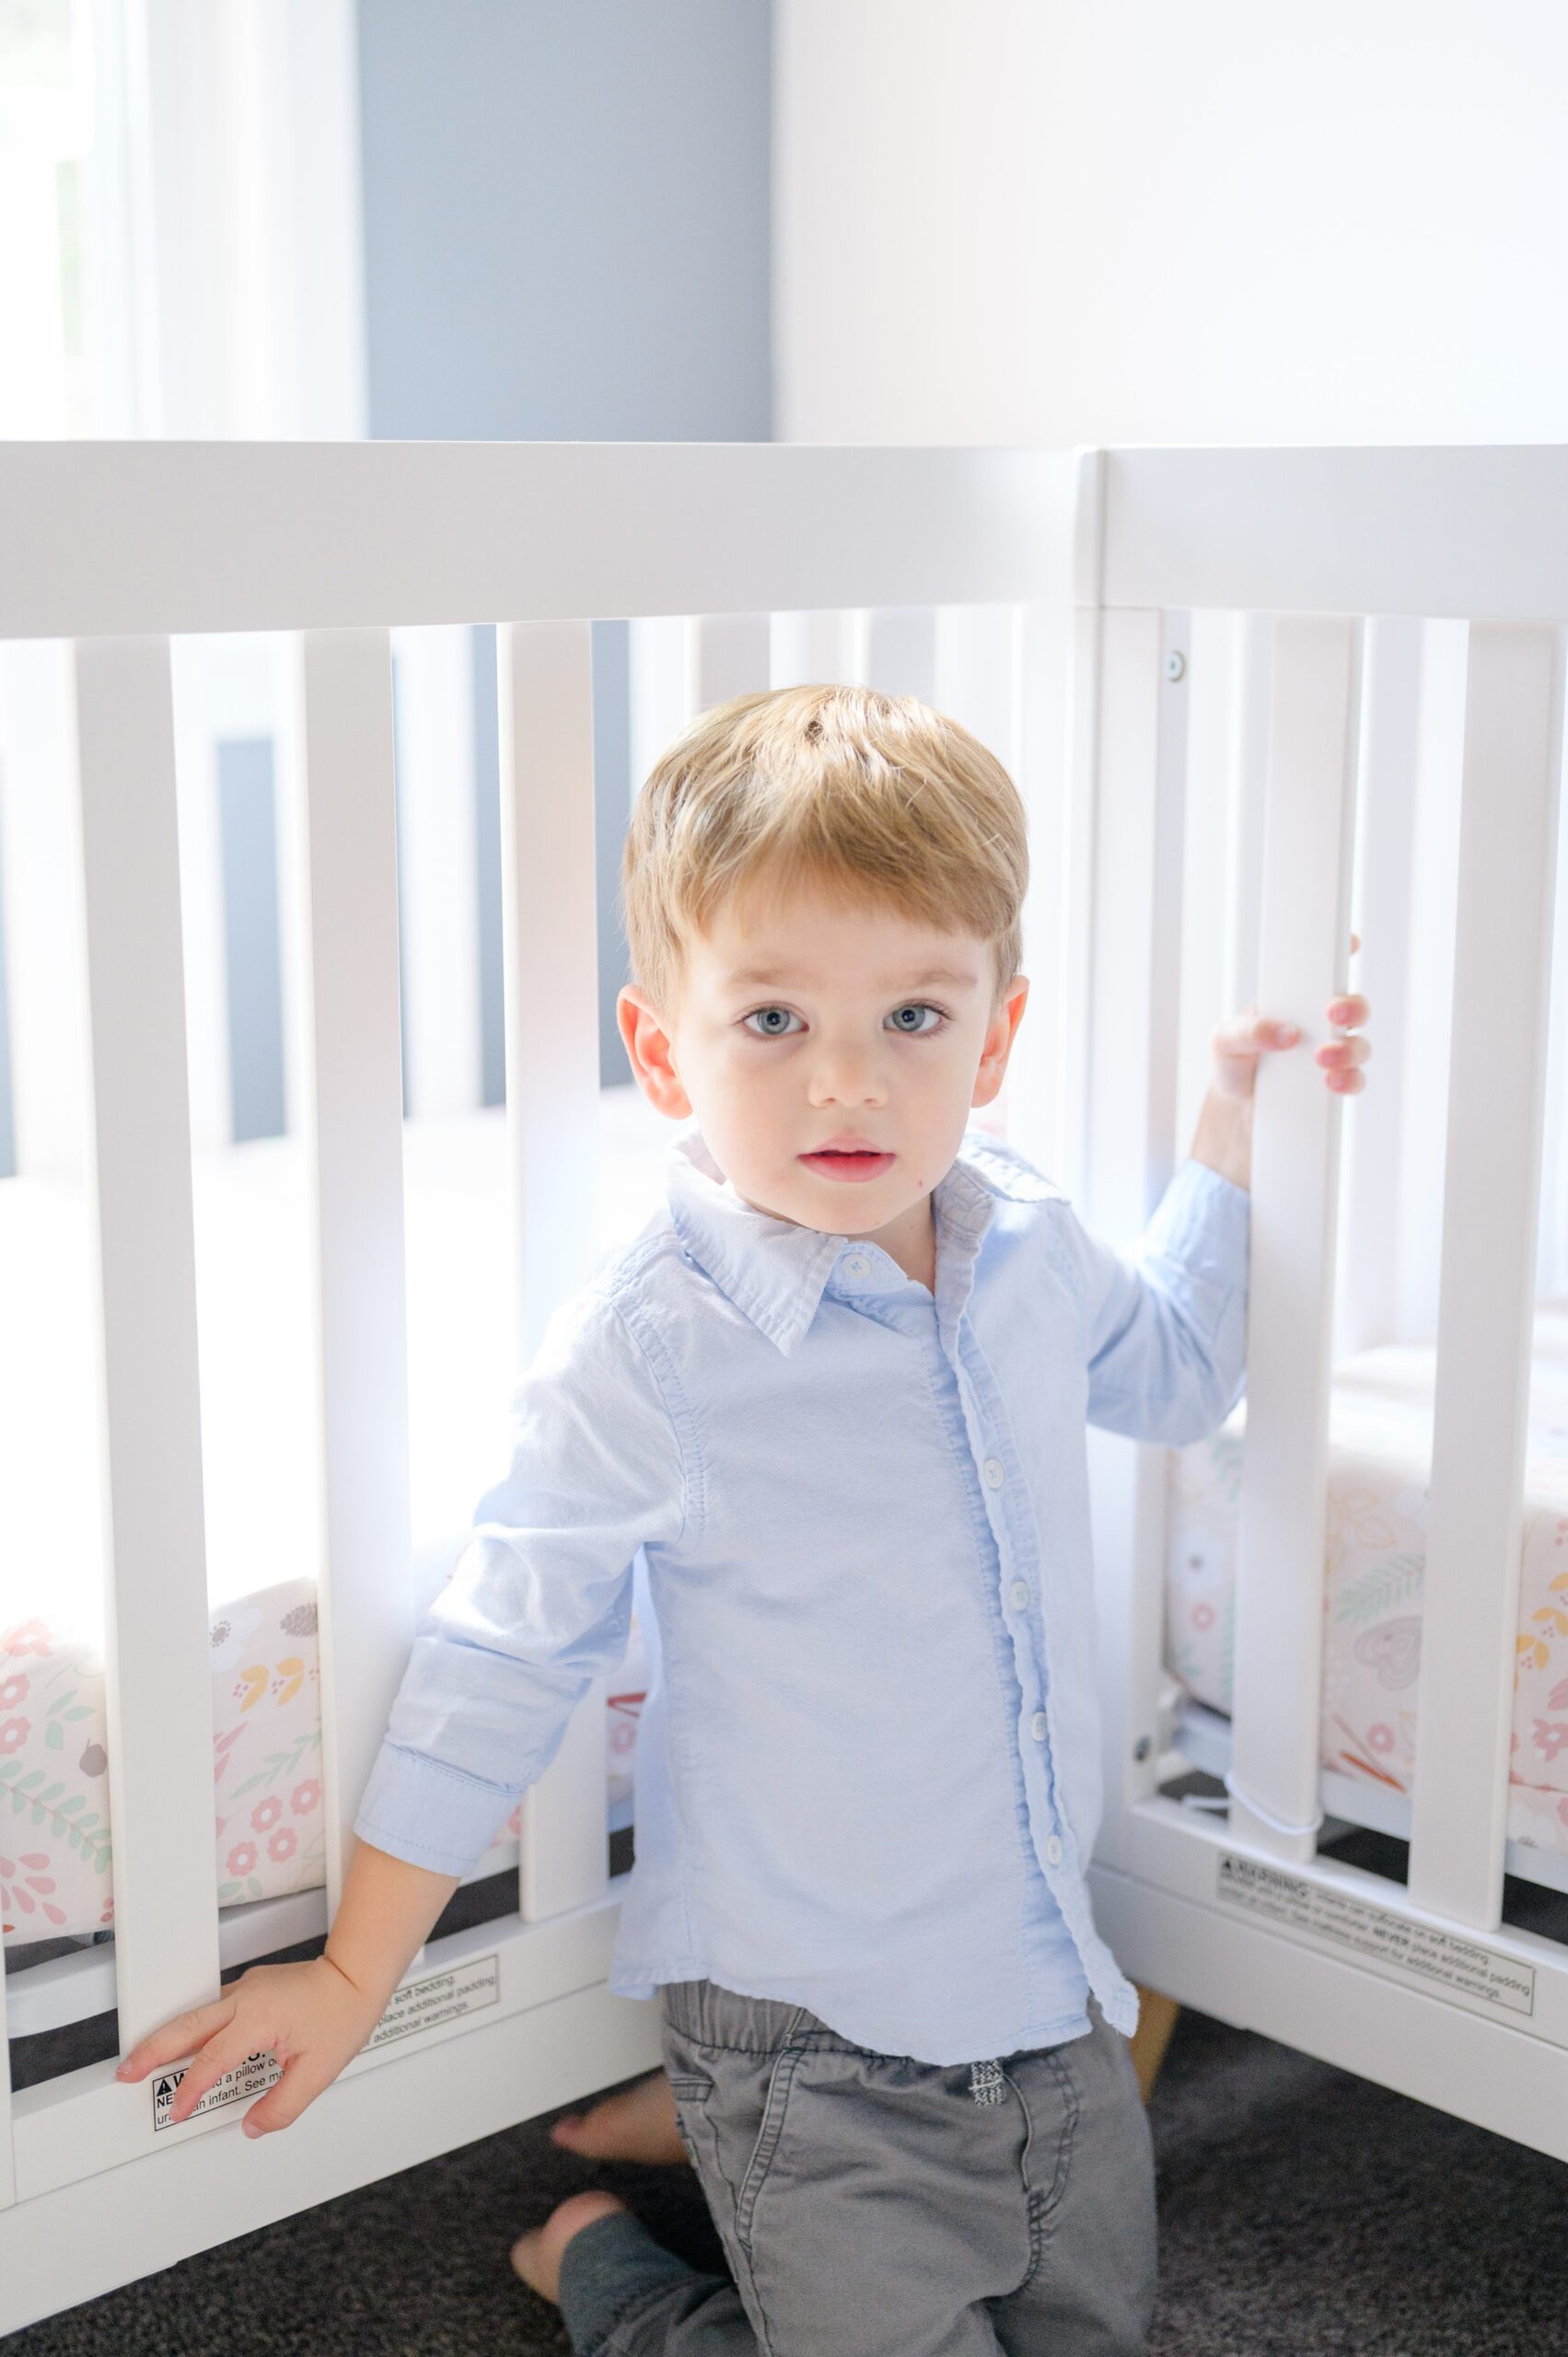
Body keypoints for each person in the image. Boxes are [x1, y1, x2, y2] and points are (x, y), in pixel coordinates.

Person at [117, 686, 1370, 2354]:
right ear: (664, 1052)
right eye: (772, 1020)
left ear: (995, 1037)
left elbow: (1177, 1374)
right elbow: (504, 1648)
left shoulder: (1034, 1246)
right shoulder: (656, 1346)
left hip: (1046, 1986)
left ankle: (687, 2162)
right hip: (812, 2040)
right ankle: (615, 2274)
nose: (846, 1080)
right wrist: (354, 1971)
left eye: (915, 1018)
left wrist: (1235, 1121)